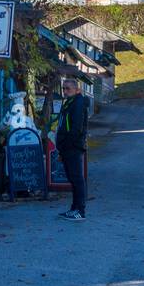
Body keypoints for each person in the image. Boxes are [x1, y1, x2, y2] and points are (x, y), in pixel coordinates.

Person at [55, 77, 89, 221]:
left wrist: (68, 144)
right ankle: (74, 208)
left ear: (77, 90)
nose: (65, 91)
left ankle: (80, 210)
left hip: (73, 147)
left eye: (68, 88)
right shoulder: (69, 103)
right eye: (63, 88)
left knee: (77, 179)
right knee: (72, 178)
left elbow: (76, 128)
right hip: (66, 147)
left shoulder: (78, 103)